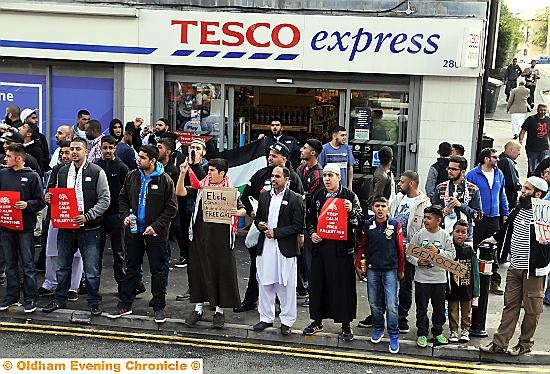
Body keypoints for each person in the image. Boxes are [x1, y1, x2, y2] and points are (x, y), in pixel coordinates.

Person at [480, 177, 550, 356]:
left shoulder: (545, 214)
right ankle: (499, 343)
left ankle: (525, 344)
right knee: (510, 306)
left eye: (527, 189)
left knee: (532, 309)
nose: (522, 191)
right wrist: (494, 239)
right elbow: (505, 230)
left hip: (534, 270)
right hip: (515, 266)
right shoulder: (518, 209)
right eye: (524, 188)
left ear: (538, 193)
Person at [107, 145, 177, 323]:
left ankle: (159, 307)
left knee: (158, 271)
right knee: (131, 269)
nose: (138, 160)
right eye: (139, 156)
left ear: (152, 160)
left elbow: (171, 208)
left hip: (156, 234)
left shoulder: (165, 180)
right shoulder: (132, 176)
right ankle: (124, 305)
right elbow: (122, 198)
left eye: (143, 158)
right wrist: (125, 216)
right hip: (133, 232)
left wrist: (156, 226)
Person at [42, 138, 110, 316]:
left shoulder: (96, 171)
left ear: (86, 151)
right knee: (62, 266)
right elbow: (52, 194)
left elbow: (105, 200)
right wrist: (48, 198)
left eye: (78, 149)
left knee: (92, 270)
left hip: (89, 228)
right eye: (71, 149)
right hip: (65, 228)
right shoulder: (61, 172)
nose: (73, 152)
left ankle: (94, 302)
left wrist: (87, 216)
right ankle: (59, 299)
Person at [235, 142, 304, 313]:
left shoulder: (293, 178)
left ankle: (282, 306)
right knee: (257, 267)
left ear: (284, 159)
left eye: (274, 155)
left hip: (284, 235)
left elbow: (301, 207)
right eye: (269, 155)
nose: (270, 158)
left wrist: (300, 232)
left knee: (282, 273)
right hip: (262, 232)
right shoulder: (260, 174)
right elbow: (245, 196)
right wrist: (252, 214)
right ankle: (251, 300)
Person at [177, 158, 246, 329]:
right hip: (200, 236)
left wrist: (237, 212)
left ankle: (219, 311)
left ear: (222, 173)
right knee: (198, 271)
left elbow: (244, 210)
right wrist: (182, 174)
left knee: (221, 272)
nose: (208, 173)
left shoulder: (231, 191)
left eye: (212, 170)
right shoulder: (201, 188)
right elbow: (180, 192)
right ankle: (198, 308)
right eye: (208, 170)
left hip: (221, 239)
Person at [303, 164, 362, 341]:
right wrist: (312, 233)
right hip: (321, 247)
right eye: (325, 175)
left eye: (331, 175)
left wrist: (351, 210)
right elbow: (310, 217)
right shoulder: (319, 195)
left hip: (342, 250)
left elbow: (359, 221)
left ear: (339, 177)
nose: (327, 179)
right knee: (318, 284)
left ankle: (345, 324)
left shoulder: (349, 196)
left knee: (343, 287)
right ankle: (316, 320)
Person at [252, 165, 305, 335]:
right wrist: (259, 224)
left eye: (277, 176)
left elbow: (297, 226)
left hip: (285, 248)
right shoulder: (264, 196)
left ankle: (287, 321)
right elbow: (258, 217)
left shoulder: (296, 199)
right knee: (266, 283)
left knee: (286, 285)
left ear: (286, 179)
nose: (273, 179)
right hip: (266, 247)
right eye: (272, 176)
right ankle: (266, 318)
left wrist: (276, 233)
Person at [355, 196, 404, 353]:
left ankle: (394, 334)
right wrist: (358, 265)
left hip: (390, 269)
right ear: (372, 208)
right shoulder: (368, 225)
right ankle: (378, 327)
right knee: (374, 302)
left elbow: (400, 249)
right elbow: (362, 247)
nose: (380, 209)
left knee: (391, 304)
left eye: (383, 205)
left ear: (388, 208)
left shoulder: (395, 225)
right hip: (372, 269)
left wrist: (401, 269)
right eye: (377, 206)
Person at [0, 144, 45, 313]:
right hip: (6, 226)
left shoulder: (32, 176)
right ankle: (11, 296)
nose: (5, 159)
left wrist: (27, 204)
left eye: (9, 156)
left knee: (27, 264)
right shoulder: (3, 174)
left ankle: (30, 297)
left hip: (25, 227)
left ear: (19, 158)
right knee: (10, 264)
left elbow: (40, 201)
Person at [39, 140, 83, 300]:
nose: (66, 155)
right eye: (63, 152)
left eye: (69, 151)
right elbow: (48, 191)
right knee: (52, 251)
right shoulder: (57, 170)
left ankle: (73, 287)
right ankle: (50, 282)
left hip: (78, 218)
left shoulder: (86, 171)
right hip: (57, 217)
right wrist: (48, 197)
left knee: (77, 255)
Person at [408, 205, 455, 348]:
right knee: (421, 308)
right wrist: (417, 261)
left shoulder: (445, 235)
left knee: (439, 308)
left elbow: (452, 255)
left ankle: (438, 332)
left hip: (439, 280)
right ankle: (422, 333)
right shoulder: (420, 234)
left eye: (429, 218)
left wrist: (438, 251)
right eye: (425, 218)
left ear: (438, 220)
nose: (425, 221)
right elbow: (409, 253)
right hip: (421, 279)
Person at [391, 171, 431, 333]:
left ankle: (402, 317)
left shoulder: (424, 203)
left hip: (409, 250)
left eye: (402, 182)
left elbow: (425, 230)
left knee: (405, 285)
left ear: (411, 184)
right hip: (391, 248)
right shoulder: (397, 199)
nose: (399, 184)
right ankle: (379, 315)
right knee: (385, 283)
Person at [466, 148, 509, 295]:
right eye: (494, 157)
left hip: (494, 217)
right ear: (486, 159)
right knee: (475, 248)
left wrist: (505, 213)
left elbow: (501, 194)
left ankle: (494, 282)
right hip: (479, 218)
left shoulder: (499, 173)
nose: (497, 159)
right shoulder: (472, 175)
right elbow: (468, 196)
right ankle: (472, 280)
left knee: (493, 249)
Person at [94, 135, 129, 291]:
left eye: (110, 147)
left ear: (115, 148)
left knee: (119, 252)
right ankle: (92, 285)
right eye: (104, 147)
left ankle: (122, 284)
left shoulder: (122, 167)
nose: (107, 151)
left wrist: (124, 213)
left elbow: (127, 192)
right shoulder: (95, 166)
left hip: (116, 215)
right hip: (98, 215)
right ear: (100, 148)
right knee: (95, 252)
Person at [295, 139, 324, 307]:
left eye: (305, 147)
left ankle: (314, 295)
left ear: (313, 153)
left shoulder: (318, 175)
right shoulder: (300, 169)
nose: (301, 149)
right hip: (298, 220)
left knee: (310, 261)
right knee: (298, 259)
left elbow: (312, 201)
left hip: (310, 224)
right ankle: (301, 289)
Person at [433, 156, 483, 241]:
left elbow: (478, 215)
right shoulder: (440, 187)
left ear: (463, 172)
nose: (450, 171)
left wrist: (461, 206)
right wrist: (442, 212)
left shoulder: (473, 189)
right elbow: (432, 212)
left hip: (465, 237)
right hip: (443, 234)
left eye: (454, 169)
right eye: (449, 168)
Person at [447, 220, 480, 344]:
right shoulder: (449, 249)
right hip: (453, 287)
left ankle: (465, 330)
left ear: (467, 234)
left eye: (463, 232)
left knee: (466, 311)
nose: (459, 234)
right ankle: (453, 330)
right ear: (453, 232)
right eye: (457, 231)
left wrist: (476, 291)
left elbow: (475, 272)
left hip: (467, 286)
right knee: (453, 310)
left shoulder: (469, 250)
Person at [318, 126, 355, 190]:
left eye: (345, 135)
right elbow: (320, 169)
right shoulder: (324, 149)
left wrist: (350, 185)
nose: (345, 138)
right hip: (328, 189)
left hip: (343, 188)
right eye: (342, 135)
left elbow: (350, 168)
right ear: (334, 136)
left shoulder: (347, 148)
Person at [519, 104, 550, 175]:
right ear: (537, 110)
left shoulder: (548, 120)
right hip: (532, 148)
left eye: (544, 110)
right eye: (541, 110)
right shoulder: (531, 119)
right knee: (532, 168)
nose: (543, 112)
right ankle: (531, 181)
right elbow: (523, 130)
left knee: (544, 167)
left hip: (545, 148)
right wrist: (520, 140)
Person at [497, 141, 522, 209]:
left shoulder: (500, 159)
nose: (519, 153)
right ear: (511, 150)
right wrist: (519, 187)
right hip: (508, 197)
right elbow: (513, 183)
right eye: (518, 150)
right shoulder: (507, 162)